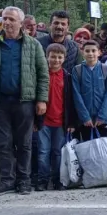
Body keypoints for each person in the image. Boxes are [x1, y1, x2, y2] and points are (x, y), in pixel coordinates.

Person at [0, 6, 50, 196]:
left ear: (20, 23)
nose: (7, 22)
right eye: (4, 19)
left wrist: (42, 100)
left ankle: (23, 180)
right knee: (3, 143)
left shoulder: (32, 45)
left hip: (24, 101)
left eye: (11, 19)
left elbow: (43, 74)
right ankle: (7, 180)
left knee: (24, 143)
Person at [36, 44, 71, 192]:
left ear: (64, 59)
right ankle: (42, 180)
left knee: (57, 152)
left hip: (60, 121)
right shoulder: (40, 75)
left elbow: (70, 101)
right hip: (43, 120)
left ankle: (57, 180)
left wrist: (70, 122)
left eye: (59, 57)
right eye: (52, 56)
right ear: (47, 56)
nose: (56, 60)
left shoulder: (67, 77)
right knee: (43, 151)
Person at [70, 40, 107, 142]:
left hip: (103, 119)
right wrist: (85, 117)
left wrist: (102, 116)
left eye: (94, 51)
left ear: (99, 52)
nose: (90, 53)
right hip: (85, 120)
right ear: (82, 52)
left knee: (103, 150)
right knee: (87, 150)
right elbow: (76, 95)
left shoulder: (106, 69)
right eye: (87, 51)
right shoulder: (77, 70)